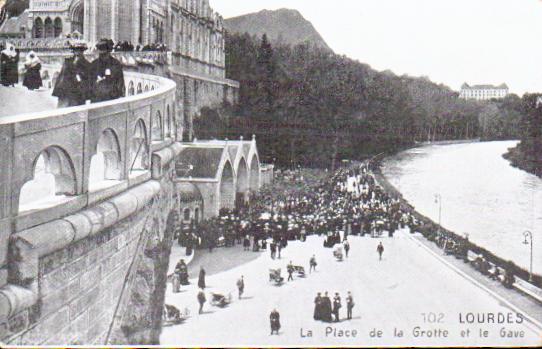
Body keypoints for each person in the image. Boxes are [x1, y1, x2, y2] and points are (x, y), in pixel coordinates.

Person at [53, 41, 92, 107]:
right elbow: (62, 76)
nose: (78, 52)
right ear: (73, 51)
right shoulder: (67, 62)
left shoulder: (86, 64)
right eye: (76, 50)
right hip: (66, 91)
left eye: (80, 50)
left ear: (83, 51)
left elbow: (87, 79)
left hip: (78, 92)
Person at [90, 38, 125, 102]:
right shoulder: (94, 64)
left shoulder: (116, 64)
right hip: (97, 100)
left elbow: (120, 84)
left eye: (104, 54)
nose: (102, 56)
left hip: (112, 99)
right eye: (101, 54)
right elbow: (90, 83)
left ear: (109, 52)